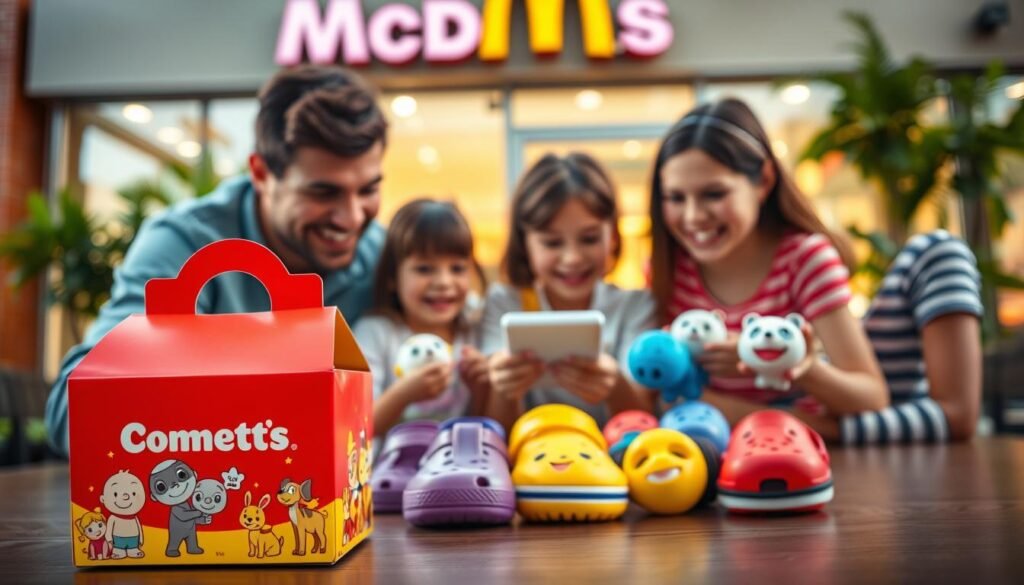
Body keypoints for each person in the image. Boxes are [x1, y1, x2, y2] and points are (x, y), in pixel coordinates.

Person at [45, 65, 389, 456]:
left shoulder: (383, 256)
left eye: (368, 190)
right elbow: (72, 415)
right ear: (261, 173)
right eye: (323, 193)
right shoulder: (183, 243)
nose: (352, 217)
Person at [647, 98, 889, 432]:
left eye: (714, 194)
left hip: (799, 460)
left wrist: (796, 366)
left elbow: (871, 396)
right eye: (675, 198)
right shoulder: (666, 267)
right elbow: (659, 393)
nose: (692, 217)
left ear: (763, 180)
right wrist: (814, 425)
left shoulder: (805, 260)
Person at [482, 152, 656, 431]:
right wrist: (504, 386)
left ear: (612, 236)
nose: (572, 258)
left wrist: (615, 385)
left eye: (589, 238)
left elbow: (643, 420)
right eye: (552, 243)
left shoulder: (635, 305)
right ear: (524, 243)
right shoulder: (504, 302)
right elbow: (496, 430)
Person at [353, 199, 491, 438]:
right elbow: (356, 427)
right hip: (389, 469)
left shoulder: (473, 331)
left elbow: (481, 427)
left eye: (457, 269)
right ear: (392, 278)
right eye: (424, 269)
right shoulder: (376, 332)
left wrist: (481, 388)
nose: (444, 282)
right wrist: (404, 394)